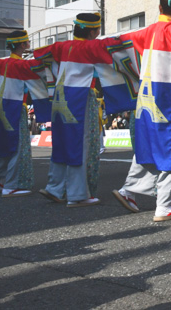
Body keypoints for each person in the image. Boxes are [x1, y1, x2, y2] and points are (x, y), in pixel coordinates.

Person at [112, 0, 171, 221]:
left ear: (159, 7)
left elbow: (116, 46)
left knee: (150, 145)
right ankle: (165, 205)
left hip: (146, 95)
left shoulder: (145, 32)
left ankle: (129, 190)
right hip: (170, 93)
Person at [35, 13, 113, 207]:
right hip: (80, 97)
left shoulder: (61, 47)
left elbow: (39, 54)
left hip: (60, 97)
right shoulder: (91, 47)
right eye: (98, 30)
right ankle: (77, 194)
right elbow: (115, 52)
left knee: (61, 143)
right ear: (92, 32)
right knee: (81, 144)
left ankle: (55, 187)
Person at [0, 30, 50, 197]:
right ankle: (11, 186)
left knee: (3, 144)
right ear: (22, 45)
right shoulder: (23, 65)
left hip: (1, 107)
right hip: (15, 108)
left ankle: (0, 179)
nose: (29, 43)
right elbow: (44, 70)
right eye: (27, 41)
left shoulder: (2, 63)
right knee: (17, 146)